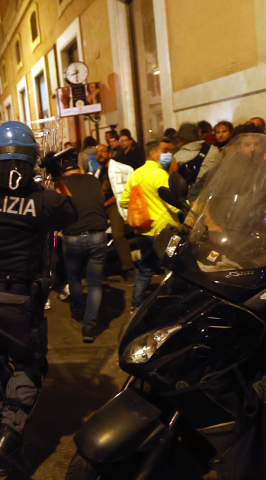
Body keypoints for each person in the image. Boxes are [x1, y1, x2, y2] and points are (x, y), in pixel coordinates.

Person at [0, 121, 77, 480]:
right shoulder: (43, 199)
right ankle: (9, 434)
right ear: (31, 161)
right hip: (16, 299)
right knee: (28, 365)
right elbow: (73, 212)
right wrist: (56, 174)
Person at [119, 139, 178, 311]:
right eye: (165, 150)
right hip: (164, 229)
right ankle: (169, 306)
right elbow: (174, 203)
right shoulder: (161, 175)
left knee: (145, 268)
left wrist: (143, 204)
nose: (169, 154)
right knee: (171, 270)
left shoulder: (136, 174)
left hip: (143, 230)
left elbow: (124, 202)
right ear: (152, 153)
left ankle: (136, 306)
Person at [59, 159, 110, 343]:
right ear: (79, 168)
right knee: (95, 283)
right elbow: (101, 201)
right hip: (98, 235)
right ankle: (88, 328)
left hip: (72, 237)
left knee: (74, 278)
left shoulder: (60, 184)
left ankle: (79, 312)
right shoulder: (92, 180)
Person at [93, 143, 135, 277]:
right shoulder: (98, 173)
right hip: (102, 205)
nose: (100, 154)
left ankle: (128, 267)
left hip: (114, 205)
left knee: (117, 235)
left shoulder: (121, 169)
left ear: (109, 153)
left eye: (103, 151)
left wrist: (105, 204)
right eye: (97, 152)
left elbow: (120, 193)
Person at [173, 122, 221, 200]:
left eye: (179, 137)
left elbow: (171, 179)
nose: (177, 139)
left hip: (190, 198)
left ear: (183, 138)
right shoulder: (214, 150)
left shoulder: (178, 156)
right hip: (212, 196)